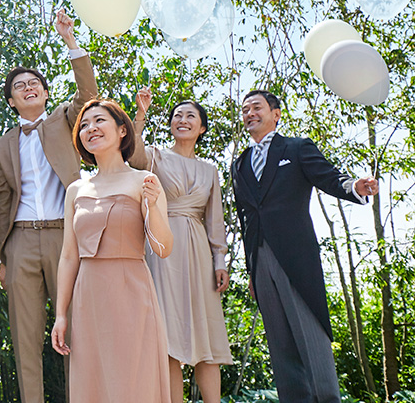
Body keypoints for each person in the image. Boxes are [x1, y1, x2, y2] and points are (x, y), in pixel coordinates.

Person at [0, 9, 147, 403]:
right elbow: (3, 203)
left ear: (44, 93)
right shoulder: (2, 144)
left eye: (34, 84)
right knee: (25, 338)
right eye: (19, 86)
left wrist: (70, 42)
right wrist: (3, 257)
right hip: (21, 242)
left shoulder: (65, 118)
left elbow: (87, 94)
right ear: (11, 100)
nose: (28, 88)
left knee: (76, 331)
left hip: (68, 235)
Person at [230, 89, 378, 403]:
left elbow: (329, 177)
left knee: (310, 334)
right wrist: (251, 268)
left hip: (296, 255)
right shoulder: (239, 163)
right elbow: (246, 218)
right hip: (260, 258)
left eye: (256, 107)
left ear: (275, 113)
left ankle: (327, 398)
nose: (249, 114)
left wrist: (355, 186)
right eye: (245, 110)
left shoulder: (296, 148)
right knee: (279, 342)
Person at [50, 99, 173, 403]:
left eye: (99, 121)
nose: (91, 128)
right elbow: (69, 256)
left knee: (133, 382)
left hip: (131, 291)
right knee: (92, 382)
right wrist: (61, 315)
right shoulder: (76, 190)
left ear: (122, 130)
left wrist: (153, 204)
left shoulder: (144, 180)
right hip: (87, 296)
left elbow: (164, 247)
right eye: (84, 125)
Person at [133, 90, 232, 403]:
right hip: (162, 247)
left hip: (199, 251)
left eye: (190, 116)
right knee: (167, 335)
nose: (183, 120)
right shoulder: (155, 155)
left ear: (202, 127)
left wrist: (220, 261)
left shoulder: (210, 170)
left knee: (208, 335)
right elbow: (131, 156)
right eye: (177, 115)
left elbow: (215, 220)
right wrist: (140, 114)